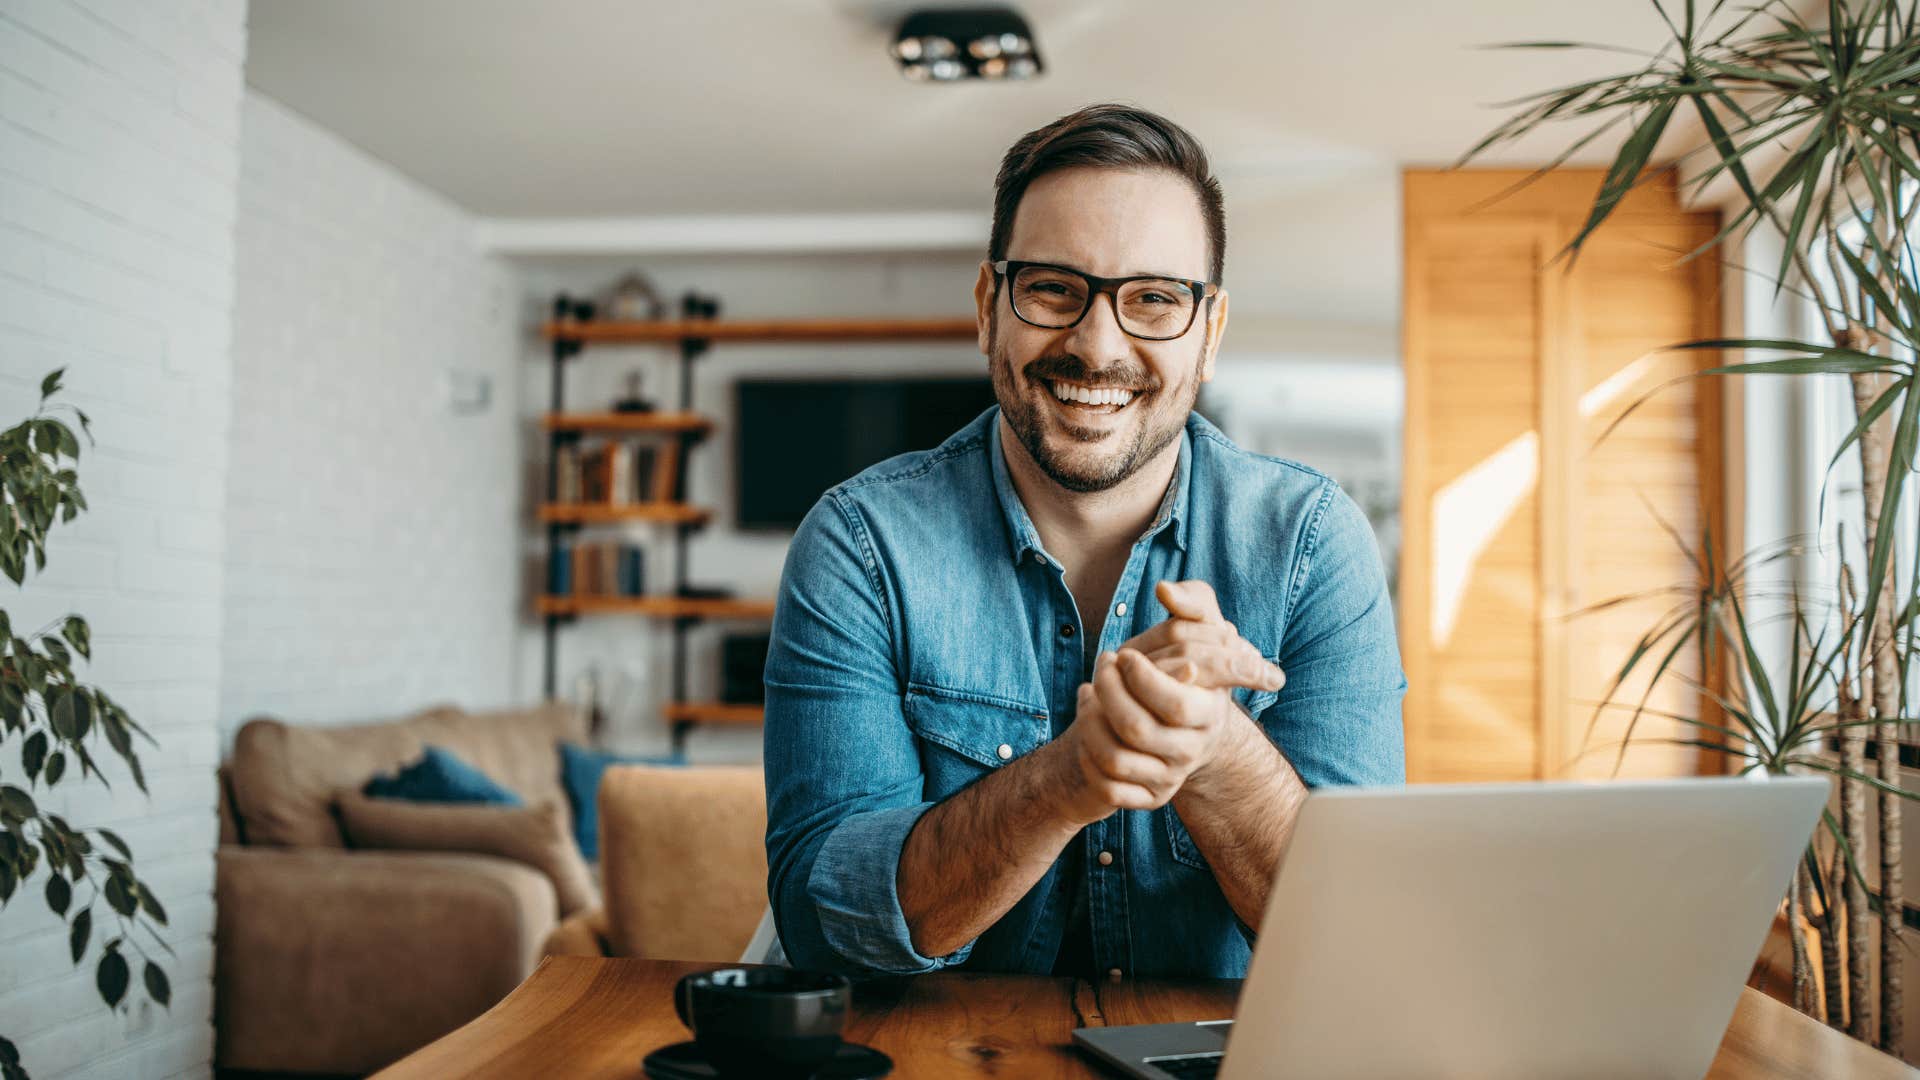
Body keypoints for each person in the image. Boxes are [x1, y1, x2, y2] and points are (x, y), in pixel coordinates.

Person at [762, 103, 1405, 980]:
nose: (1097, 346)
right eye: (1054, 288)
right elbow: (825, 929)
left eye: (1154, 299)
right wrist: (1068, 777)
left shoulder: (1313, 545)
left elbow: (1361, 940)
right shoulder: (860, 545)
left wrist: (1216, 748)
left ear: (1209, 333)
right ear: (989, 308)